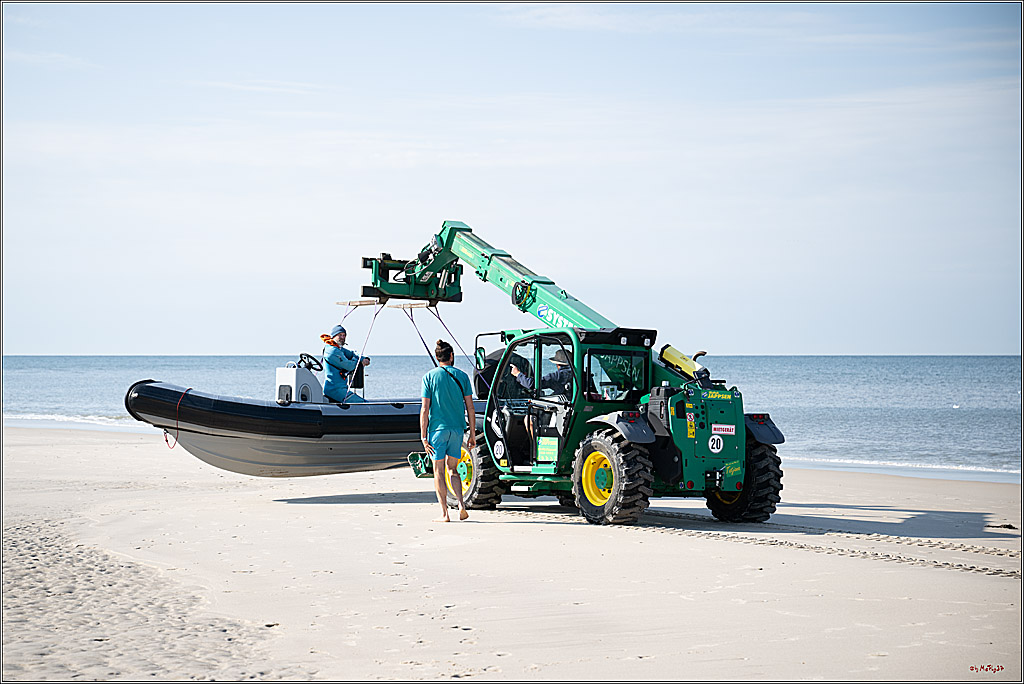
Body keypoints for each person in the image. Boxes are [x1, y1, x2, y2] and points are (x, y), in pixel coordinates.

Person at [420, 339, 475, 523]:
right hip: (457, 430)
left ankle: (444, 514)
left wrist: (423, 436)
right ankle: (461, 505)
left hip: (437, 431)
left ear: (437, 357)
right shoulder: (463, 376)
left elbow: (425, 409)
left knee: (438, 471)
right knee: (453, 469)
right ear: (451, 356)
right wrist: (473, 434)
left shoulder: (429, 377)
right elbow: (470, 408)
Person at [322, 324, 370, 404]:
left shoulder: (338, 348)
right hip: (335, 389)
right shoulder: (332, 351)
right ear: (333, 336)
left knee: (362, 402)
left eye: (344, 335)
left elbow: (351, 353)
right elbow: (349, 366)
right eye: (340, 335)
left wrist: (364, 358)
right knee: (363, 403)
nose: (342, 337)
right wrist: (359, 361)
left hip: (341, 388)